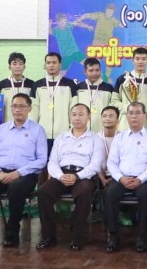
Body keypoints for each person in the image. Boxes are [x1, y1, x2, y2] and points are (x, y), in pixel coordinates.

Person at [0, 93, 47, 247]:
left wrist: (18, 173)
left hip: (25, 175)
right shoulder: (2, 129)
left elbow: (41, 160)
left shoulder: (38, 130)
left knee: (16, 188)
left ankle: (12, 233)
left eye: (22, 106)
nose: (17, 109)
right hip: (2, 173)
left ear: (29, 109)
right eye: (14, 106)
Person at [37, 103, 105, 251]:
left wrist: (77, 176)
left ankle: (76, 238)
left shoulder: (95, 139)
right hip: (62, 174)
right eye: (74, 114)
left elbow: (95, 165)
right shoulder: (61, 138)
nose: (77, 118)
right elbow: (52, 162)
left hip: (84, 175)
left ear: (88, 117)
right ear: (69, 117)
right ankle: (48, 237)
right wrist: (60, 176)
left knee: (84, 192)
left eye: (81, 114)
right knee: (43, 191)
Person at [105, 102, 147, 253]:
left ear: (144, 116)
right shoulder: (119, 138)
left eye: (137, 113)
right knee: (109, 194)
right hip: (121, 178)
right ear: (126, 117)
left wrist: (140, 179)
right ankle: (113, 237)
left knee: (146, 195)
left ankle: (141, 238)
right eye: (130, 113)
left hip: (143, 179)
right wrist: (120, 178)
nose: (134, 116)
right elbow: (111, 162)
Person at [31, 52, 76, 152]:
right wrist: (33, 130)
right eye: (48, 63)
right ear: (45, 65)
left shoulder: (70, 84)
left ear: (60, 65)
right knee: (43, 160)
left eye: (54, 62)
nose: (51, 65)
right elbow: (33, 110)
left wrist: (72, 129)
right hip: (42, 134)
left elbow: (73, 108)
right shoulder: (37, 85)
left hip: (64, 134)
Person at [112, 47, 147, 129]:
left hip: (146, 125)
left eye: (143, 59)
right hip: (125, 125)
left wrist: (146, 113)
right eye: (137, 59)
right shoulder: (123, 79)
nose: (140, 62)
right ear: (132, 60)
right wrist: (128, 109)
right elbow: (114, 102)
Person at [73, 57, 115, 133]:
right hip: (82, 131)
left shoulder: (108, 88)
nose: (94, 73)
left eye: (97, 70)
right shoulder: (78, 88)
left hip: (102, 131)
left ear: (100, 71)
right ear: (85, 72)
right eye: (91, 70)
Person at [0, 52, 37, 126]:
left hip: (26, 126)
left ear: (24, 66)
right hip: (7, 125)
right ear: (9, 66)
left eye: (20, 64)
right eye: (14, 64)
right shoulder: (1, 85)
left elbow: (34, 107)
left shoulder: (32, 84)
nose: (17, 66)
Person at [97, 106, 121, 189]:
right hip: (99, 175)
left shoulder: (123, 138)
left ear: (117, 120)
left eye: (111, 116)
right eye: (104, 116)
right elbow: (93, 162)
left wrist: (116, 176)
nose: (107, 119)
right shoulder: (95, 138)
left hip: (119, 175)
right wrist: (102, 179)